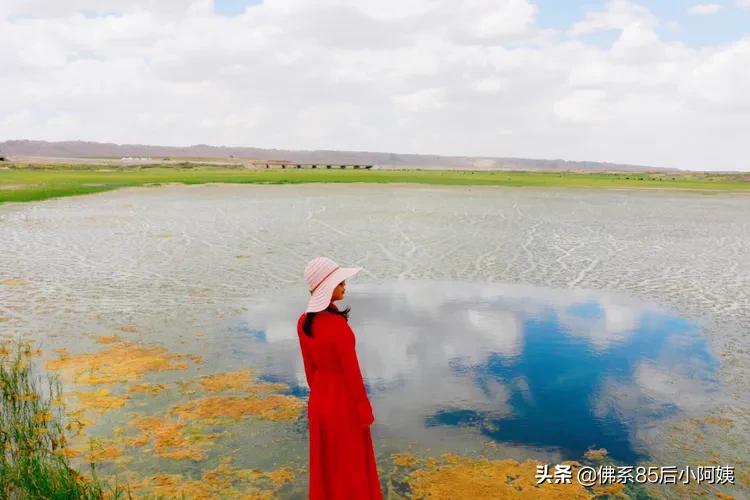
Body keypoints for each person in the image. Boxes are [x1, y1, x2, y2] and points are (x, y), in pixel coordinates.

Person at [296, 256, 382, 500]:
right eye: (339, 281)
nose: (345, 284)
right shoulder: (338, 327)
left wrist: (320, 396)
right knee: (352, 462)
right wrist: (364, 408)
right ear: (325, 288)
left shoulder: (303, 323)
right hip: (344, 403)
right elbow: (352, 373)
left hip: (320, 401)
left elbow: (310, 370)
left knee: (327, 464)